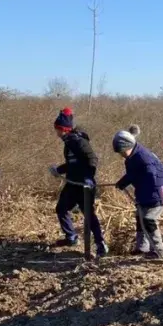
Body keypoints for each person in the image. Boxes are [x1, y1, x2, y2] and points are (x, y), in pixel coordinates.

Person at [49, 107, 108, 257]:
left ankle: (100, 244)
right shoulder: (68, 142)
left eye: (57, 129)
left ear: (63, 129)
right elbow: (73, 163)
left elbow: (92, 159)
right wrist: (59, 170)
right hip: (72, 184)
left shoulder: (79, 141)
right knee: (61, 208)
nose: (56, 133)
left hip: (84, 185)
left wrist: (89, 177)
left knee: (89, 215)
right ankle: (71, 237)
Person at [113, 126, 163, 259]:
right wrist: (123, 182)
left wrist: (142, 193)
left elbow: (150, 176)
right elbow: (133, 173)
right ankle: (142, 248)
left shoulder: (143, 157)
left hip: (158, 192)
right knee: (140, 217)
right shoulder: (132, 157)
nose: (121, 154)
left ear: (128, 146)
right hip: (146, 192)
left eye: (122, 151)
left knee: (148, 219)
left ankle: (159, 251)